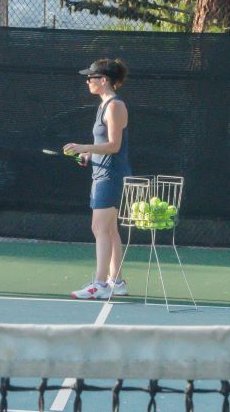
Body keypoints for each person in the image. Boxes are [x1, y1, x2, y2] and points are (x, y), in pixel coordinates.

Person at [63, 58, 131, 300]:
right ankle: (117, 281)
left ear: (104, 81)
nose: (88, 81)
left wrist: (83, 145)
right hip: (101, 172)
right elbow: (104, 144)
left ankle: (100, 284)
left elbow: (114, 145)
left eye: (91, 77)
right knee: (110, 230)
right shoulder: (104, 105)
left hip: (110, 175)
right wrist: (89, 154)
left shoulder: (115, 106)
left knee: (99, 228)